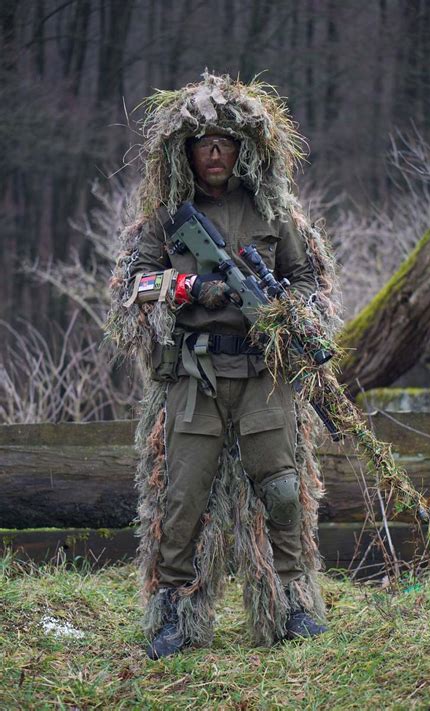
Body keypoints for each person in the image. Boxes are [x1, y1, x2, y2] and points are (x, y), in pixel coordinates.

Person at [107, 72, 341, 659]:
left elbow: (309, 277)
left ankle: (292, 607)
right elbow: (132, 288)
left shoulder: (272, 212)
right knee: (181, 500)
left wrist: (290, 313)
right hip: (195, 381)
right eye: (204, 142)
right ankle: (175, 619)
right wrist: (191, 287)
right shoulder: (166, 221)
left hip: (264, 379)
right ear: (186, 151)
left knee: (284, 493)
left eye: (226, 142)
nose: (215, 152)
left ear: (244, 149)